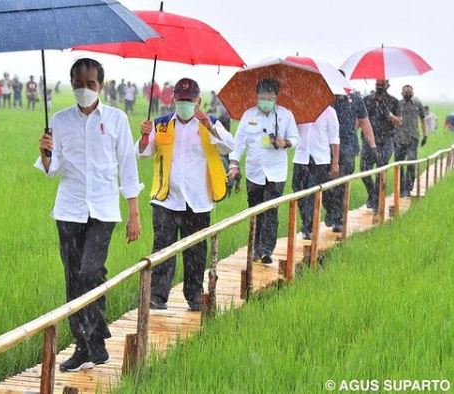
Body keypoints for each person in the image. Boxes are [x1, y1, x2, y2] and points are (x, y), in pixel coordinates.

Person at [36, 58, 142, 372]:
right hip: (69, 209)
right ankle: (83, 346)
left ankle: (96, 337)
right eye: (79, 84)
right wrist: (45, 154)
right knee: (72, 279)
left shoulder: (116, 119)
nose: (84, 89)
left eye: (90, 83)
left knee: (92, 272)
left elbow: (128, 166)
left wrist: (133, 213)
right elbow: (52, 171)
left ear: (101, 85)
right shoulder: (59, 120)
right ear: (72, 84)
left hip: (104, 210)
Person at [138, 78, 234, 311]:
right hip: (166, 198)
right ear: (173, 100)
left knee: (196, 250)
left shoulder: (210, 122)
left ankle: (194, 296)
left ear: (198, 101)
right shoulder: (160, 124)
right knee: (163, 248)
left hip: (198, 200)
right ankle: (156, 296)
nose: (185, 105)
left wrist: (210, 127)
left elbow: (229, 146)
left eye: (190, 101)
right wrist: (143, 136)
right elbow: (142, 152)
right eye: (181, 100)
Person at [228, 79, 299, 263]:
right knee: (255, 211)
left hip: (276, 172)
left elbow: (295, 138)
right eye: (262, 97)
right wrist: (234, 164)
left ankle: (266, 249)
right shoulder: (249, 116)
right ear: (257, 96)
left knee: (270, 209)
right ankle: (255, 248)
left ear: (276, 97)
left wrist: (285, 142)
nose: (265, 100)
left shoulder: (285, 116)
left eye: (269, 97)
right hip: (254, 172)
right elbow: (239, 142)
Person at [325, 86, 377, 232]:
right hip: (326, 147)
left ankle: (338, 218)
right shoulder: (325, 98)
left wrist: (372, 146)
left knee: (340, 182)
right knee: (325, 183)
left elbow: (365, 122)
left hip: (348, 147)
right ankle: (331, 211)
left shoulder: (355, 100)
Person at [292, 106, 340, 240]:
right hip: (301, 157)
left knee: (313, 193)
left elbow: (334, 139)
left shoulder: (329, 112)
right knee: (298, 191)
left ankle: (308, 227)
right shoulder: (299, 110)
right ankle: (308, 220)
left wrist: (335, 162)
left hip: (320, 159)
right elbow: (292, 133)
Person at [362, 79, 402, 212]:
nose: (379, 86)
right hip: (369, 140)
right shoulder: (367, 100)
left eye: (382, 84)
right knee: (364, 170)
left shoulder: (394, 102)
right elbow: (360, 119)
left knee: (381, 169)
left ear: (387, 85)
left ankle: (375, 201)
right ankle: (372, 195)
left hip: (387, 140)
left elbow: (399, 122)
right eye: (377, 84)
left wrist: (389, 115)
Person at [394, 85, 427, 197]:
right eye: (405, 92)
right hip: (399, 138)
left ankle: (408, 187)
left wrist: (425, 135)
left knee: (411, 160)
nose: (407, 94)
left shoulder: (417, 103)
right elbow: (393, 119)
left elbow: (423, 119)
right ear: (402, 93)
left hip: (413, 137)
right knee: (399, 163)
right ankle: (401, 187)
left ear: (412, 92)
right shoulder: (398, 104)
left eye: (409, 92)